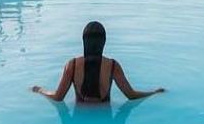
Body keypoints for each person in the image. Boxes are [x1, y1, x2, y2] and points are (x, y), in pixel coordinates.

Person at [31, 20, 165, 103]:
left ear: (84, 41)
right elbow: (131, 95)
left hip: (79, 122)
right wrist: (153, 92)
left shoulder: (72, 65)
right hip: (105, 120)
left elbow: (58, 97)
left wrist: (40, 90)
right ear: (104, 42)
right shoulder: (112, 66)